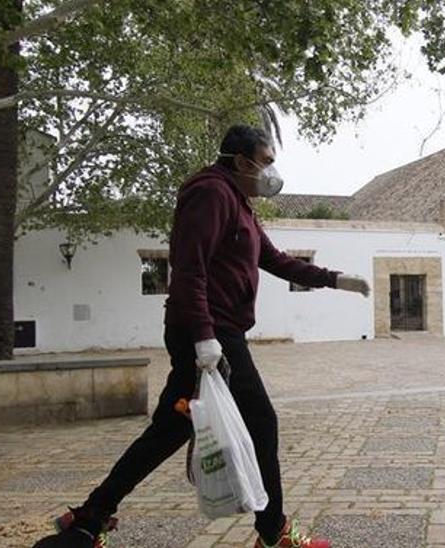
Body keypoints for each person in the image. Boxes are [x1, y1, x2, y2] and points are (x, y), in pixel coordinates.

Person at [35, 125, 369, 548]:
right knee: (261, 422)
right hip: (211, 333)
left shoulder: (239, 202)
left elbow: (275, 260)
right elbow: (189, 268)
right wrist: (204, 338)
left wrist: (334, 279)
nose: (271, 171)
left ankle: (88, 518)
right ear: (239, 159)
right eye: (265, 162)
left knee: (169, 431)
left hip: (214, 332)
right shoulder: (210, 192)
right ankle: (273, 533)